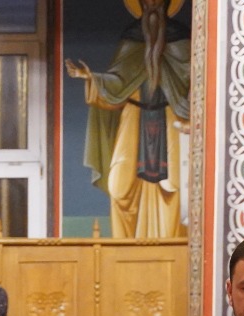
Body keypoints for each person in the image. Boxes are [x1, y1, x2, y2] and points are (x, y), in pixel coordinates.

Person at [65, 0, 191, 239]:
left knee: (175, 186)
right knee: (119, 188)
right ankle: (124, 248)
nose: (152, 4)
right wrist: (92, 78)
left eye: (157, 0)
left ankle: (173, 248)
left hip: (170, 117)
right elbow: (119, 82)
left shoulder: (180, 37)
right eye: (147, 1)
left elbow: (192, 76)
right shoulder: (131, 37)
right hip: (133, 117)